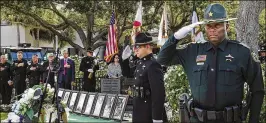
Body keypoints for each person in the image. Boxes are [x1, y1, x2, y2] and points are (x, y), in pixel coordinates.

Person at [157, 3, 264, 123]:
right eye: (209, 26)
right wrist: (175, 37)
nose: (212, 29)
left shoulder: (241, 53)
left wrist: (253, 120)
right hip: (198, 119)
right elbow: (162, 59)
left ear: (227, 26)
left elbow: (257, 89)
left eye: (217, 25)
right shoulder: (193, 51)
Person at [132, 32, 167, 123]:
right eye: (135, 47)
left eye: (138, 47)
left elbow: (158, 94)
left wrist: (157, 118)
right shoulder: (140, 63)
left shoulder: (153, 65)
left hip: (148, 113)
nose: (135, 50)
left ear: (147, 46)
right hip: (138, 111)